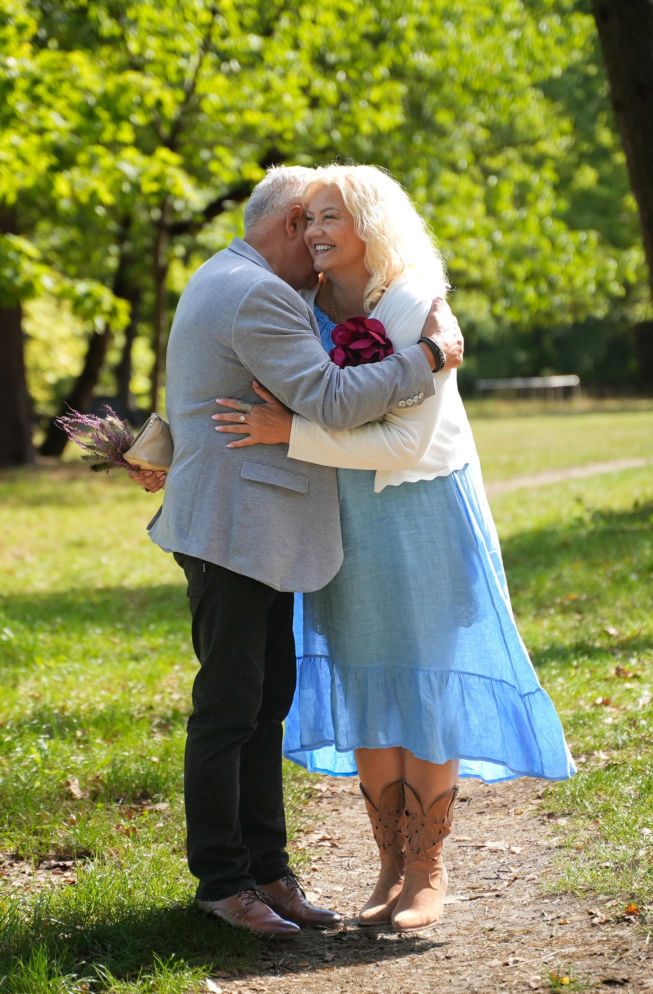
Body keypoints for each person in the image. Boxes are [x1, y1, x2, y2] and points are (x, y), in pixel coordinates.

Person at [212, 163, 576, 933]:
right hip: (343, 519)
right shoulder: (302, 305)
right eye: (307, 219)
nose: (312, 232)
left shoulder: (417, 304)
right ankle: (386, 866)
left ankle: (428, 870)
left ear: (371, 223)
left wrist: (295, 434)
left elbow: (408, 442)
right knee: (368, 686)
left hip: (421, 509)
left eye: (330, 218)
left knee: (425, 684)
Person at [141, 165, 465, 939]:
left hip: (254, 529)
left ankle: (268, 872)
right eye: (311, 227)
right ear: (290, 225)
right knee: (230, 709)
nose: (317, 250)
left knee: (263, 707)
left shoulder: (224, 275)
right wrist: (429, 356)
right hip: (235, 529)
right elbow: (330, 398)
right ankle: (226, 883)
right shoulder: (255, 293)